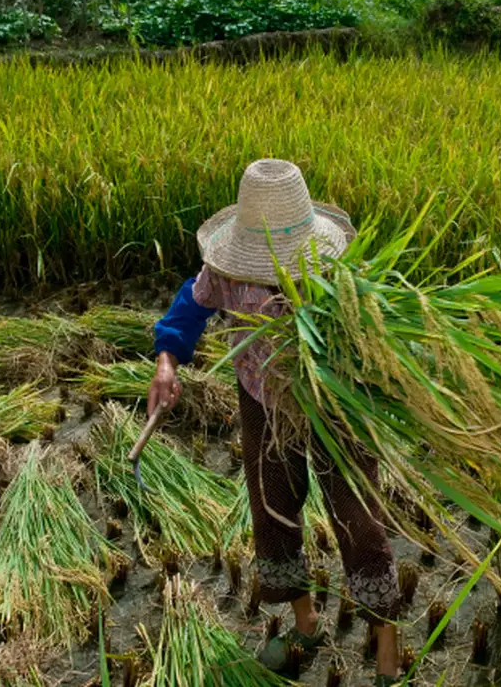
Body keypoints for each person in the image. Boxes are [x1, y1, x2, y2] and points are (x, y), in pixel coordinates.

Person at [148, 159, 402, 685]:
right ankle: (305, 622)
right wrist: (166, 362)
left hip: (333, 402)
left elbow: (376, 335)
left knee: (357, 516)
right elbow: (189, 306)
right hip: (262, 401)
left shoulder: (334, 273)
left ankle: (387, 647)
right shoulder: (226, 273)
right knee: (273, 507)